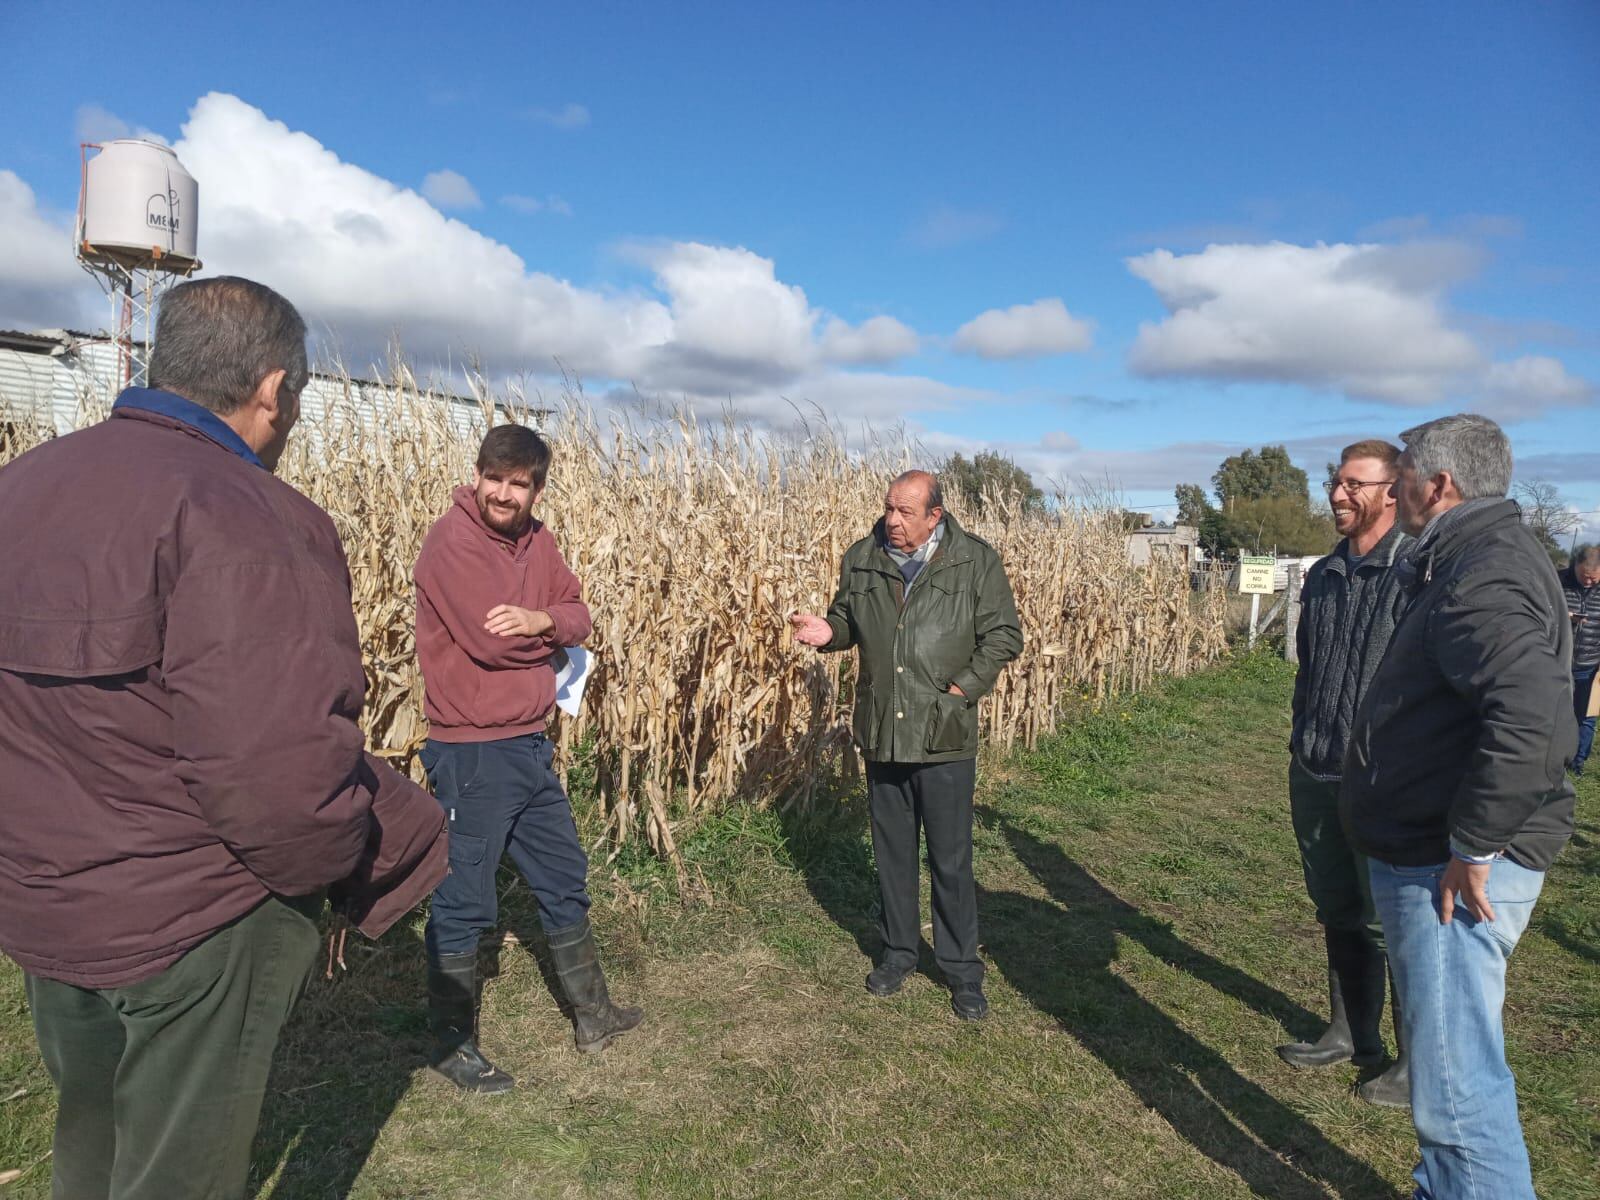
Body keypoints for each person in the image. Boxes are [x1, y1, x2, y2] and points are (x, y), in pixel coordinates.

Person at [0, 276, 448, 1200]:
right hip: (193, 923)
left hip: (44, 902)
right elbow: (283, 781)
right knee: (178, 1176)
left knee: (92, 1140)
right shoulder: (247, 515)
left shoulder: (22, 487)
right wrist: (340, 878)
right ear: (273, 391)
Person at [1343, 413, 1576, 1200]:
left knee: (1452, 1083)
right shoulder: (1472, 557)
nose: (1396, 484)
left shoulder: (1486, 571)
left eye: (1404, 471)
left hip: (1450, 867)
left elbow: (1537, 715)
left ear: (1438, 485)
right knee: (1453, 1061)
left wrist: (1473, 844)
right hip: (1438, 851)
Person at [413, 424, 641, 1093]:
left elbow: (578, 614)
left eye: (519, 483)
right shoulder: (451, 543)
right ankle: (452, 1045)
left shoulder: (539, 541)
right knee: (464, 897)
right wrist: (546, 630)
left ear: (537, 487)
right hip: (471, 750)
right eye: (494, 478)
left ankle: (593, 1016)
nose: (503, 494)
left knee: (563, 873)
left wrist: (543, 620)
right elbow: (491, 645)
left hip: (527, 743)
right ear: (477, 474)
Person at [790, 470, 1022, 1020]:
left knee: (951, 859)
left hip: (943, 734)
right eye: (889, 509)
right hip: (883, 731)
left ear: (934, 515)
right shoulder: (862, 556)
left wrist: (963, 688)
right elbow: (849, 618)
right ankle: (898, 953)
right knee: (892, 854)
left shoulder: (975, 562)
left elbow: (1003, 635)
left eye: (906, 513)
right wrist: (829, 632)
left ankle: (962, 970)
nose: (892, 521)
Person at [1278, 440, 1410, 1106]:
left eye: (1355, 484)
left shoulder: (1414, 572)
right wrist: (1303, 737)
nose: (1338, 495)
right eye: (1335, 482)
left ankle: (1419, 1064)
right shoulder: (1325, 574)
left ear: (1394, 490)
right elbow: (1310, 666)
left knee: (1398, 922)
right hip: (1316, 769)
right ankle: (1352, 1034)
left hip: (1385, 783)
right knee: (1338, 911)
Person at [1559, 545, 1600, 776]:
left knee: (1586, 716)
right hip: (1558, 661)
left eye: (1594, 579)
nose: (1588, 582)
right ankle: (1553, 756)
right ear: (1575, 566)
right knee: (1555, 712)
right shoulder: (1556, 581)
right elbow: (1542, 608)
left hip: (1591, 664)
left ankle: (1578, 761)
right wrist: (1566, 616)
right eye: (1585, 577)